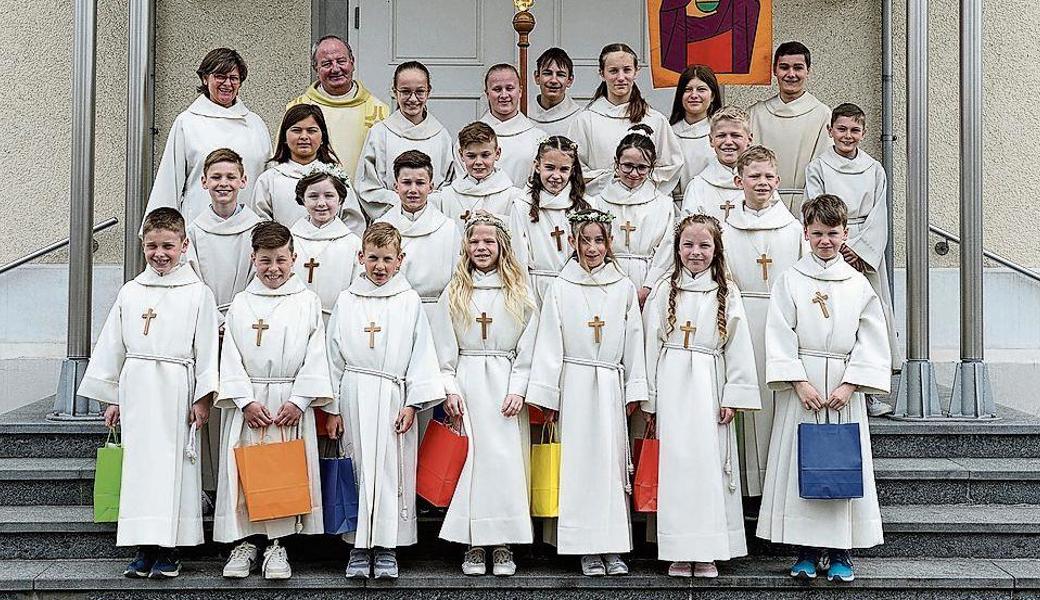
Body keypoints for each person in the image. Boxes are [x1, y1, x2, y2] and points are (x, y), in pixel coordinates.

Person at [78, 207, 219, 579]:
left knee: (173, 468)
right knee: (141, 469)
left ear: (184, 245)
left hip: (177, 387)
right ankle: (143, 547)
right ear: (143, 245)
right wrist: (113, 397)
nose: (160, 253)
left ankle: (170, 548)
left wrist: (203, 398)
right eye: (152, 246)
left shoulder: (198, 293)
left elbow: (206, 348)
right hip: (138, 387)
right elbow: (113, 346)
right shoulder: (131, 291)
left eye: (168, 246)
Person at [756, 194, 890, 583]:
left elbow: (871, 338)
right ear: (806, 233)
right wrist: (798, 381)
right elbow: (780, 334)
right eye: (817, 233)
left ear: (845, 233)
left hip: (842, 388)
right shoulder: (790, 279)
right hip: (806, 388)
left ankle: (841, 552)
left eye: (832, 233)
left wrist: (851, 385)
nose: (825, 241)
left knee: (841, 466)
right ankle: (805, 551)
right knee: (802, 468)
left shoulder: (858, 284)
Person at [526, 208, 648, 577]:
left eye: (598, 240)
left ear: (609, 243)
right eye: (584, 240)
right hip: (574, 385)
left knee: (610, 467)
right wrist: (549, 395)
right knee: (578, 466)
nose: (592, 248)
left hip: (609, 383)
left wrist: (633, 390)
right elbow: (549, 342)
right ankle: (584, 547)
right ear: (574, 243)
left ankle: (611, 546)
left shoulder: (623, 286)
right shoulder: (562, 286)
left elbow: (634, 339)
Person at [213, 221, 336, 580]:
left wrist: (299, 400)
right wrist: (244, 401)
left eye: (281, 260)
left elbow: (316, 353)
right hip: (250, 402)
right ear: (253, 259)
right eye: (265, 260)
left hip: (286, 403)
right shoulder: (241, 303)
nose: (274, 269)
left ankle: (278, 545)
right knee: (244, 472)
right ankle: (245, 543)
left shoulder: (307, 301)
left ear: (294, 258)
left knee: (285, 473)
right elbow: (231, 355)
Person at [642, 214, 760, 578]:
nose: (696, 252)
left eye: (704, 245)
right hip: (673, 381)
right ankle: (678, 550)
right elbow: (649, 344)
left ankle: (707, 550)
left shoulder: (727, 292)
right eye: (688, 245)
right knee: (676, 467)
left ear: (716, 249)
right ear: (677, 250)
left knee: (710, 467)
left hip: (711, 383)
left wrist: (733, 396)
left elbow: (738, 347)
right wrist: (650, 399)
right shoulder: (665, 290)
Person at [327, 222, 445, 579]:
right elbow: (333, 355)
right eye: (373, 258)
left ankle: (388, 546)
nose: (380, 266)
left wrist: (412, 403)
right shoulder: (347, 300)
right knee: (358, 467)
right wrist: (332, 408)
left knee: (393, 470)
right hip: (355, 393)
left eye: (387, 259)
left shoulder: (408, 301)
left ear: (400, 260)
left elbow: (421, 353)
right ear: (361, 257)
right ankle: (359, 547)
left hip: (394, 395)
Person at [432, 213, 538, 576]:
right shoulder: (455, 291)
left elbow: (529, 347)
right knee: (471, 463)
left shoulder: (520, 292)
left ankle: (504, 542)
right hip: (468, 383)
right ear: (466, 246)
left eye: (489, 242)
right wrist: (449, 388)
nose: (481, 248)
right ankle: (473, 541)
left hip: (505, 386)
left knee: (505, 464)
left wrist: (519, 389)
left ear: (502, 247)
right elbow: (443, 349)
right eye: (475, 241)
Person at [805, 103, 902, 413]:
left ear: (864, 133)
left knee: (867, 319)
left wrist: (858, 250)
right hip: (829, 246)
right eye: (842, 129)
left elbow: (879, 214)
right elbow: (813, 206)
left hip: (862, 253)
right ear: (830, 130)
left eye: (855, 130)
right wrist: (835, 242)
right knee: (832, 319)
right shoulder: (818, 167)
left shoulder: (874, 169)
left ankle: (869, 392)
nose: (848, 136)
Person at [722, 146, 807, 499]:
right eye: (754, 176)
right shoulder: (725, 230)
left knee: (777, 405)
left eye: (769, 176)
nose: (763, 183)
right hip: (741, 322)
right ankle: (741, 488)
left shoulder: (794, 230)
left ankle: (776, 489)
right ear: (738, 180)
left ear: (779, 180)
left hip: (781, 323)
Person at [145, 48, 271, 228]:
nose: (227, 83)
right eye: (220, 76)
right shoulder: (187, 122)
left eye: (234, 78)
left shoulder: (255, 124)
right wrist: (161, 234)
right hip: (199, 228)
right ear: (205, 78)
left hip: (249, 229)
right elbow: (169, 181)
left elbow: (267, 182)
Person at [568, 43, 684, 197]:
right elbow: (572, 167)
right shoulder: (585, 120)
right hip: (600, 204)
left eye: (627, 70)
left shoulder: (655, 120)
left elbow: (671, 166)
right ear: (602, 74)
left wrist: (636, 179)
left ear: (636, 72)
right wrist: (611, 178)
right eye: (613, 71)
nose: (621, 77)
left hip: (643, 205)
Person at [355, 61, 456, 220]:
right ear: (395, 92)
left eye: (420, 91)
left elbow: (451, 186)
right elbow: (366, 187)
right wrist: (402, 203)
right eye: (405, 91)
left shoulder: (441, 136)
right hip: (390, 223)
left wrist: (427, 205)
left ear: (428, 92)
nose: (413, 99)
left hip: (432, 221)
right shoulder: (380, 134)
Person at [253, 104, 365, 235]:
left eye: (311, 131)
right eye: (296, 130)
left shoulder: (335, 176)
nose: (304, 136)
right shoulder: (269, 179)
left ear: (322, 137)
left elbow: (353, 223)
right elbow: (261, 223)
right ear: (284, 136)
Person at [287, 35, 389, 177]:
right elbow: (283, 159)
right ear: (316, 68)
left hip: (363, 197)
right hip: (312, 196)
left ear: (352, 62)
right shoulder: (297, 108)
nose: (335, 69)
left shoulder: (379, 110)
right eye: (327, 64)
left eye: (341, 61)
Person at [593, 127, 674, 305]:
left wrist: (649, 286)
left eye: (642, 167)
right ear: (616, 163)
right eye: (628, 166)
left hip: (649, 282)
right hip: (605, 281)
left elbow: (667, 249)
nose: (634, 173)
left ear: (652, 167)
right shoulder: (597, 203)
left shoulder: (663, 204)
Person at [748, 41, 831, 214]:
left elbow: (826, 167)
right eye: (784, 67)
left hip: (807, 206)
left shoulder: (822, 114)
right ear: (774, 71)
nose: (791, 74)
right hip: (762, 206)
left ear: (808, 71)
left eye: (798, 68)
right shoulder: (756, 114)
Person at [376, 150, 461, 317]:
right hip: (392, 310)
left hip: (436, 311)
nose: (413, 190)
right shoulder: (380, 226)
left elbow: (458, 277)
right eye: (406, 182)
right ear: (396, 186)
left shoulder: (447, 228)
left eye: (420, 183)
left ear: (431, 186)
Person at [510, 135, 593, 305]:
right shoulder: (522, 205)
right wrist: (525, 297)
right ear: (537, 166)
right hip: (536, 287)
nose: (556, 175)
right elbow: (518, 256)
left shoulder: (586, 205)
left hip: (576, 286)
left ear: (572, 170)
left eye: (563, 169)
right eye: (549, 167)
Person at [186, 148, 262, 318]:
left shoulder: (258, 230)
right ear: (204, 182)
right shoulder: (194, 232)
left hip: (247, 317)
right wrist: (214, 318)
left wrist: (237, 317)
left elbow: (260, 277)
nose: (223, 183)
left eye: (231, 177)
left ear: (243, 181)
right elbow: (190, 281)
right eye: (216, 177)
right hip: (204, 317)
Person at [289, 165, 363, 320]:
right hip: (295, 318)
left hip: (336, 319)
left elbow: (358, 288)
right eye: (313, 196)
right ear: (303, 199)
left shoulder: (352, 244)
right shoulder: (290, 240)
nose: (321, 203)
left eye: (329, 196)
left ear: (341, 199)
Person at [432, 122, 523, 231]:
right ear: (461, 155)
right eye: (471, 156)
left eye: (485, 155)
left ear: (497, 153)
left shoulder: (514, 196)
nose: (478, 162)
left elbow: (524, 230)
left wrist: (496, 220)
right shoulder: (447, 196)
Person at [680, 106, 755, 222]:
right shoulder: (698, 187)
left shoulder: (761, 183)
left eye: (736, 135)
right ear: (711, 140)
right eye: (721, 136)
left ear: (749, 140)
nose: (728, 142)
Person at [478, 64, 547, 188]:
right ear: (487, 93)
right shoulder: (470, 138)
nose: (504, 95)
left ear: (520, 91)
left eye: (509, 88)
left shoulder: (538, 139)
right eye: (497, 89)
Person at [670, 65, 723, 197]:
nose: (694, 95)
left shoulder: (723, 135)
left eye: (701, 89)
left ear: (712, 96)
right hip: (676, 209)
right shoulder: (668, 134)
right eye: (688, 90)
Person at [528, 48, 582, 137]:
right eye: (547, 73)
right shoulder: (523, 115)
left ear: (569, 80)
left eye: (560, 75)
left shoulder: (580, 118)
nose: (553, 80)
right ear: (537, 77)